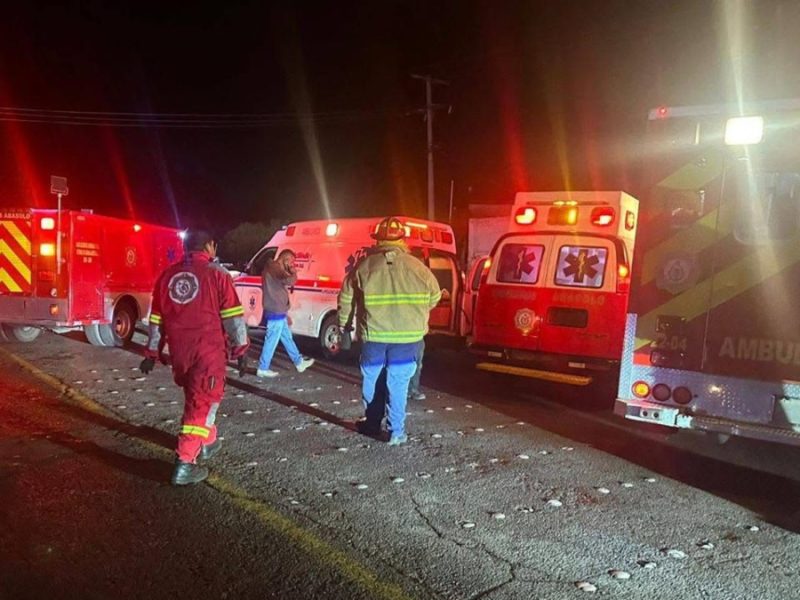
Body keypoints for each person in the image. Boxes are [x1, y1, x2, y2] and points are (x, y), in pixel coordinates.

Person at [140, 230, 249, 486]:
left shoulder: (167, 276)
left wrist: (152, 352)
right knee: (200, 404)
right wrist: (241, 349)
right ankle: (185, 462)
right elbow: (233, 317)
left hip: (180, 354)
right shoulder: (218, 274)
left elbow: (156, 319)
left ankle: (207, 442)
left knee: (200, 397)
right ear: (210, 246)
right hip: (207, 351)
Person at [338, 216, 441, 445]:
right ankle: (396, 432)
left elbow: (346, 298)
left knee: (372, 381)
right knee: (398, 384)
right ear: (403, 239)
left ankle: (372, 424)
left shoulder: (364, 266)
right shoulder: (419, 268)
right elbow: (435, 296)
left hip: (374, 336)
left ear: (378, 240)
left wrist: (344, 326)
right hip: (407, 338)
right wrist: (414, 311)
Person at [256, 249, 314, 378]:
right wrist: (293, 271)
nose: (292, 264)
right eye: (291, 262)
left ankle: (298, 362)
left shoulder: (271, 267)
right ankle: (263, 367)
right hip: (275, 309)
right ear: (285, 259)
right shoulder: (275, 268)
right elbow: (290, 281)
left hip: (277, 309)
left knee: (286, 337)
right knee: (272, 339)